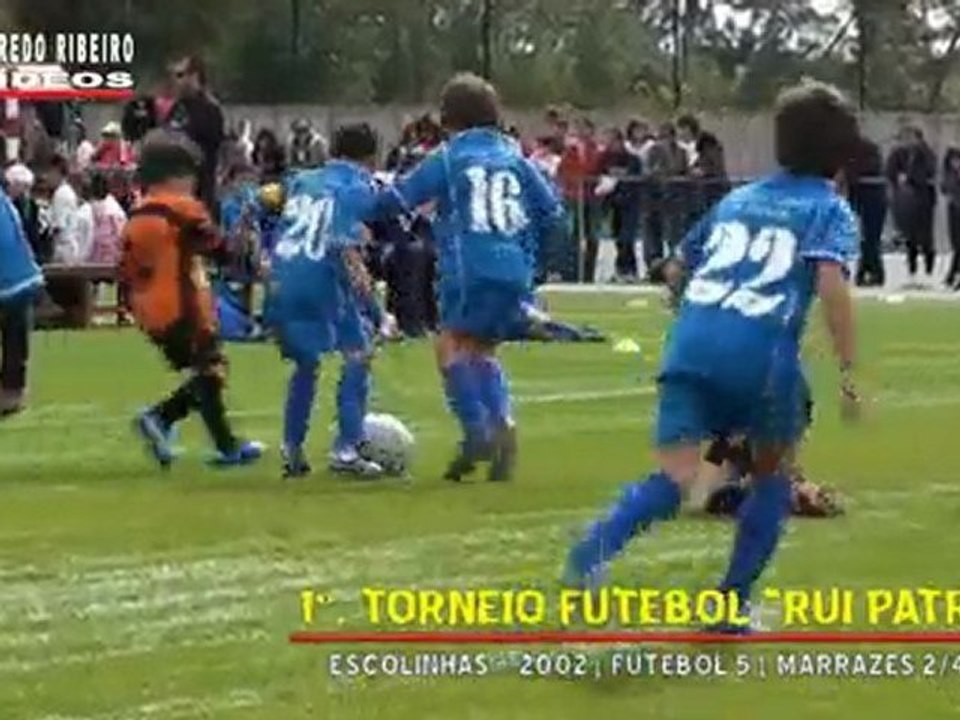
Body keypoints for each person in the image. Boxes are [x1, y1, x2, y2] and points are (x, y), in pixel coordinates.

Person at [564, 81, 862, 629]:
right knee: (773, 476)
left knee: (676, 476)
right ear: (843, 155)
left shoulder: (739, 198)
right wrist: (848, 370)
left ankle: (588, 553)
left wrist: (696, 317)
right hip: (761, 355)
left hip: (691, 342)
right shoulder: (829, 210)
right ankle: (729, 608)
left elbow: (677, 266)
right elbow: (830, 281)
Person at [374, 73, 564, 483]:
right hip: (514, 266)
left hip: (468, 265)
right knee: (484, 348)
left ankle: (478, 430)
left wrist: (364, 200)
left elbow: (400, 197)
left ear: (449, 116)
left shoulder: (449, 155)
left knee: (451, 346)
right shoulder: (515, 156)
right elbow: (553, 213)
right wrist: (534, 258)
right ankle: (503, 421)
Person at [121, 131, 263, 468]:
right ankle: (167, 421)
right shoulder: (184, 209)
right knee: (211, 370)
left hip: (148, 311)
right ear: (177, 176)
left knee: (207, 371)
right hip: (182, 307)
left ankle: (201, 436)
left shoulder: (140, 211)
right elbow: (223, 252)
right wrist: (246, 225)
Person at [267, 123, 394, 479]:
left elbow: (255, 204)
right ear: (371, 157)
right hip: (320, 276)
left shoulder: (302, 180)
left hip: (283, 275)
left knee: (306, 364)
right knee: (359, 351)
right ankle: (347, 448)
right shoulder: (357, 185)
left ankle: (292, 448)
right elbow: (346, 253)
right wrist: (379, 312)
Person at [0, 181, 44, 417]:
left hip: (9, 279)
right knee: (15, 342)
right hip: (23, 276)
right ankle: (12, 393)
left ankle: (11, 393)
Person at [165, 54, 225, 215]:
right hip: (174, 196)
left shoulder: (209, 109)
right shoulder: (177, 109)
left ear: (194, 76)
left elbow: (208, 151)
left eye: (180, 75)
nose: (175, 81)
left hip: (199, 197)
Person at [940, 147, 960, 290]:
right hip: (954, 210)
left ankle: (952, 275)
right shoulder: (950, 175)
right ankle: (952, 275)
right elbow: (945, 188)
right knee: (957, 245)